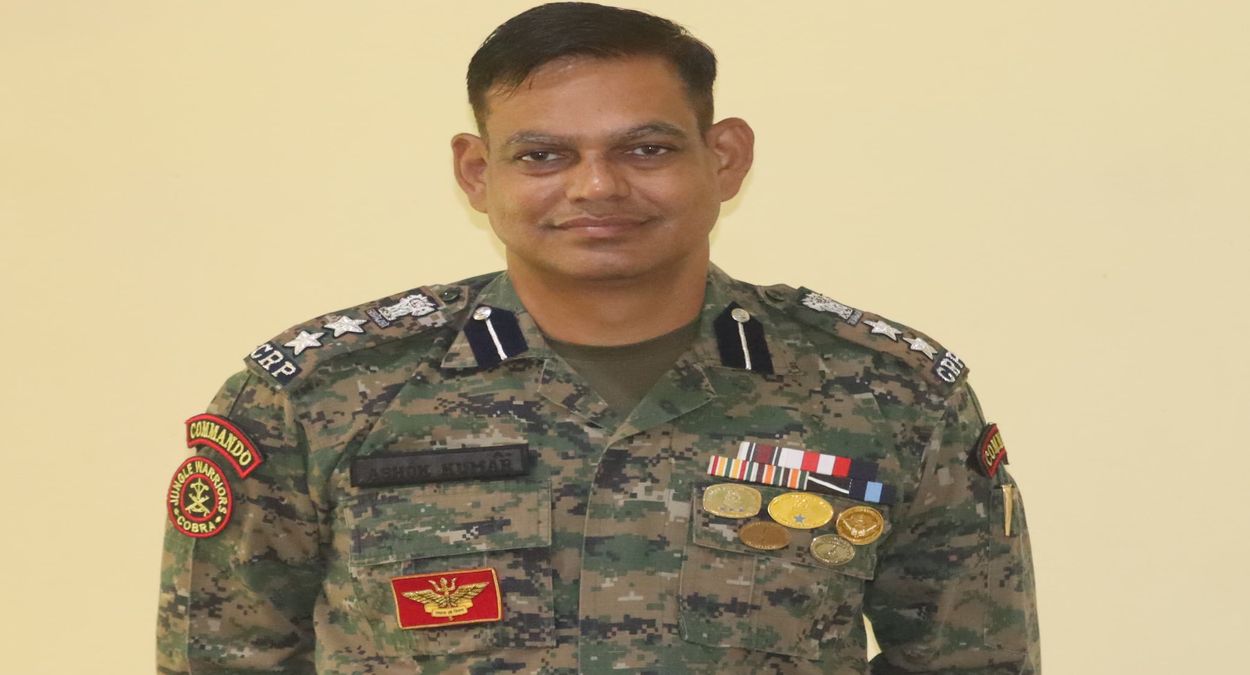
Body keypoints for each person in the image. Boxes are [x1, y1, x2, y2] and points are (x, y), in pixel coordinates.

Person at [157, 3, 1039, 673]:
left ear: (723, 157)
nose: (596, 187)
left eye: (646, 149)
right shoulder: (321, 395)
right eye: (543, 155)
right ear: (477, 171)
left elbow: (975, 661)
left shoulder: (887, 393)